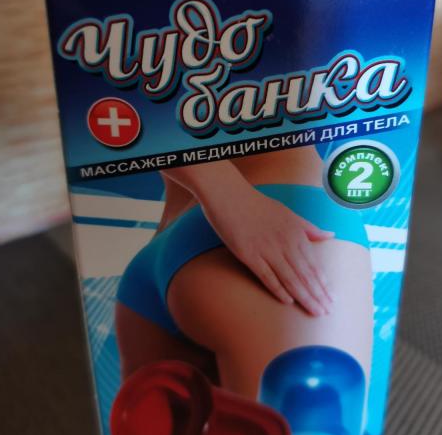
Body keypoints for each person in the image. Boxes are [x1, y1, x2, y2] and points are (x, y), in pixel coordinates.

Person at [116, 146, 373, 399]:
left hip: (167, 237)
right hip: (275, 207)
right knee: (312, 419)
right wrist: (227, 191)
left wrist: (221, 188)